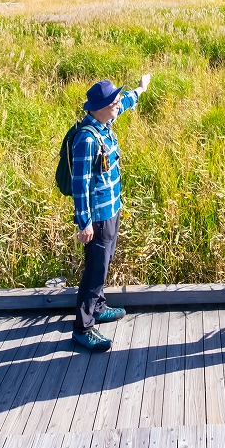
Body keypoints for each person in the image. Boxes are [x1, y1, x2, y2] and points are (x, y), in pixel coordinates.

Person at [70, 73, 150, 352]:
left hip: (112, 208)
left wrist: (141, 88)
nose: (118, 103)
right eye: (113, 100)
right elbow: (79, 185)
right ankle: (83, 327)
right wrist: (85, 223)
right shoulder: (87, 139)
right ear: (100, 106)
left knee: (106, 260)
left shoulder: (105, 123)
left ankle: (99, 305)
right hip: (98, 216)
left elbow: (126, 102)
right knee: (95, 268)